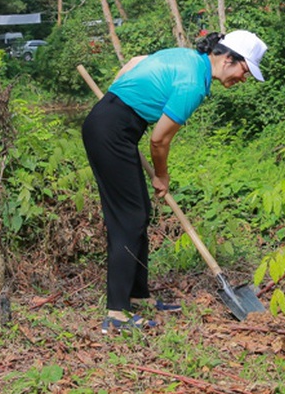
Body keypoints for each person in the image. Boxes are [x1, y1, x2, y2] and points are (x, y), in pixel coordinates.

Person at [82, 30, 268, 334]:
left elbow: (133, 62)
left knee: (140, 213)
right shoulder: (194, 84)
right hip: (111, 132)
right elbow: (159, 141)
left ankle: (137, 295)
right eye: (245, 70)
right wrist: (162, 175)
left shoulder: (188, 59)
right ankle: (116, 313)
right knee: (127, 220)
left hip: (115, 125)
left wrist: (118, 97)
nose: (243, 78)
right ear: (228, 58)